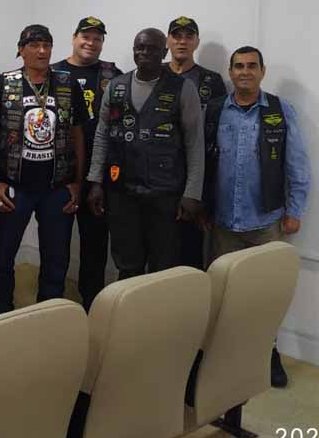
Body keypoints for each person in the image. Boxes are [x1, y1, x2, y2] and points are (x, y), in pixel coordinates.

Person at [202, 45, 311, 388]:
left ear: (263, 71)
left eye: (252, 66)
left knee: (265, 295)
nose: (245, 72)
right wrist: (203, 206)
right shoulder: (215, 110)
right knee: (222, 295)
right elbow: (202, 162)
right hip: (223, 223)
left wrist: (294, 210)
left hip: (266, 221)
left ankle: (269, 352)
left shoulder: (280, 110)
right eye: (239, 66)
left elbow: (297, 165)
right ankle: (224, 354)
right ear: (230, 72)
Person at [0, 24, 87, 314]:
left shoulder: (67, 83)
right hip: (14, 185)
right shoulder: (5, 84)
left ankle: (49, 313)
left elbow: (78, 135)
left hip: (57, 187)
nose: (42, 51)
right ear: (21, 49)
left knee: (56, 258)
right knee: (3, 255)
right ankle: (1, 312)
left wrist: (78, 183)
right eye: (34, 45)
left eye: (47, 45)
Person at [87, 28, 204, 279]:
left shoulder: (183, 88)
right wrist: (95, 181)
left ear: (164, 52)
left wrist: (192, 193)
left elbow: (195, 144)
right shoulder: (116, 87)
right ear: (133, 51)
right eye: (139, 47)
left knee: (164, 265)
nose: (144, 52)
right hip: (121, 193)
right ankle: (128, 305)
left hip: (164, 194)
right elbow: (102, 136)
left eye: (152, 48)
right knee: (127, 263)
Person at [52, 16, 120, 311]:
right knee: (56, 242)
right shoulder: (53, 73)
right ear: (74, 38)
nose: (91, 43)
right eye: (86, 36)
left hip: (98, 175)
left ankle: (92, 303)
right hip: (61, 173)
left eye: (97, 38)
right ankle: (53, 302)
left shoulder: (112, 74)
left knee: (95, 243)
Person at [166, 15, 226, 269]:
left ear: (196, 42)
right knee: (156, 254)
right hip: (158, 179)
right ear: (168, 40)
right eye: (176, 36)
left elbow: (217, 140)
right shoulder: (154, 73)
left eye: (188, 36)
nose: (182, 41)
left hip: (193, 179)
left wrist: (205, 196)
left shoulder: (211, 81)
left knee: (189, 256)